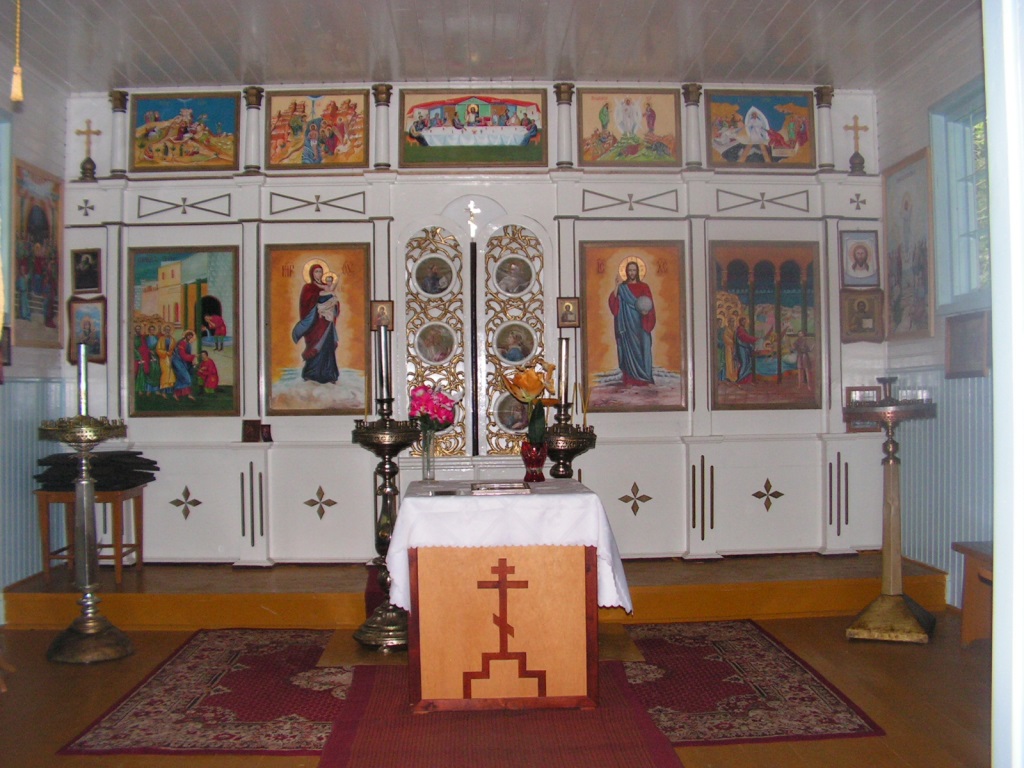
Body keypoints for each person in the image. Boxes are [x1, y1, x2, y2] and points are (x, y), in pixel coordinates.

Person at [608, 259, 656, 386]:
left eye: (634, 270)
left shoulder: (644, 287)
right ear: (626, 272)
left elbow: (649, 305)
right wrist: (616, 285)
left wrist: (646, 312)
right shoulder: (622, 288)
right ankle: (630, 378)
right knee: (628, 349)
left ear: (638, 271)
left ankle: (644, 377)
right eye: (629, 270)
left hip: (640, 324)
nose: (632, 273)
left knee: (642, 349)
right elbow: (613, 303)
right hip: (627, 325)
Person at [291, 262, 340, 384]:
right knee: (315, 345)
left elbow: (334, 301)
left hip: (327, 323)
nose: (319, 274)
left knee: (327, 346)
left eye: (320, 271)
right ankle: (311, 374)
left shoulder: (326, 286)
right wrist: (319, 298)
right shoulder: (308, 288)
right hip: (315, 322)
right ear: (311, 273)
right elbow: (305, 304)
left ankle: (329, 374)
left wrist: (334, 304)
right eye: (316, 271)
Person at [171, 329, 197, 400]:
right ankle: (181, 394)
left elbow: (187, 355)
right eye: (189, 336)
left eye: (191, 336)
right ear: (186, 335)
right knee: (187, 378)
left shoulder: (188, 344)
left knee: (181, 378)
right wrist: (193, 356)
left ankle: (183, 394)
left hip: (184, 363)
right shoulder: (182, 343)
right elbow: (183, 355)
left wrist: (192, 360)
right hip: (178, 362)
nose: (190, 337)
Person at [734, 316, 756, 385]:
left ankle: (747, 381)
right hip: (742, 349)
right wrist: (755, 339)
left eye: (745, 321)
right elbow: (745, 337)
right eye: (743, 321)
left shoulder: (743, 329)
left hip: (745, 349)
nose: (744, 322)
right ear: (740, 322)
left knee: (748, 363)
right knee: (744, 364)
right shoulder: (740, 329)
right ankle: (740, 380)